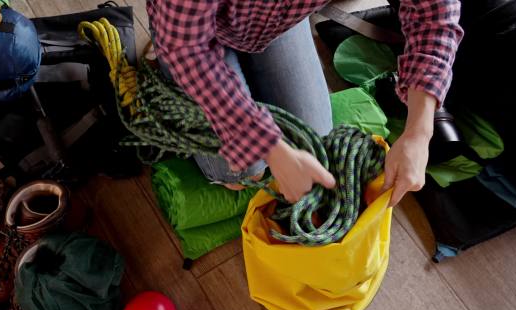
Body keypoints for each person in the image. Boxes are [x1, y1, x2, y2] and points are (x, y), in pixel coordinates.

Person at [147, 0, 463, 206]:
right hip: (191, 37)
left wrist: (420, 131)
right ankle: (172, 73)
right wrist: (268, 146)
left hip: (273, 16)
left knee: (312, 145)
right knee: (242, 172)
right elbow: (185, 49)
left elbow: (434, 10)